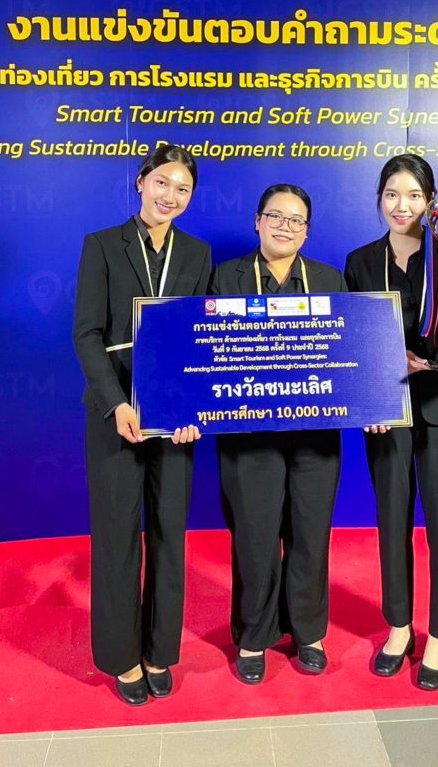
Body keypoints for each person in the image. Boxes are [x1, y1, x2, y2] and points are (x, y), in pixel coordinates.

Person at [73, 145, 211, 706]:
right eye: (161, 183)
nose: (169, 196)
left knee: (170, 534)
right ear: (140, 182)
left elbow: (201, 336)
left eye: (182, 189)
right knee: (116, 536)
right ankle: (122, 657)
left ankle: (158, 651)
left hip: (174, 416)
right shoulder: (103, 245)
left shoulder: (197, 253)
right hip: (116, 414)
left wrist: (191, 411)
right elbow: (86, 334)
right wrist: (116, 404)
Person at [344, 154, 438, 690]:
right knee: (391, 519)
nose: (401, 206)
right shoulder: (360, 261)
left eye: (413, 195)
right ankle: (399, 627)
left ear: (430, 201)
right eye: (391, 194)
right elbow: (351, 337)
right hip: (388, 408)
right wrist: (380, 376)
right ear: (379, 199)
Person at [209, 184, 346, 684]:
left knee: (310, 534)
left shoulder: (330, 279)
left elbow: (352, 350)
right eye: (276, 216)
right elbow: (204, 351)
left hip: (315, 431)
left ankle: (308, 631)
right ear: (257, 221)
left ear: (307, 231)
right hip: (248, 433)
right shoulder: (225, 277)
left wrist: (376, 399)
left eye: (296, 220)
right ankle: (253, 635)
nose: (285, 227)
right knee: (256, 537)